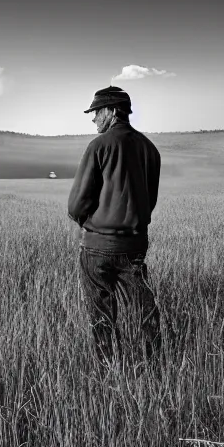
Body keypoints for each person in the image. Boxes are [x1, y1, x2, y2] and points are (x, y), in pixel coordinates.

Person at [67, 85, 163, 365]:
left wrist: (90, 224)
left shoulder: (99, 146)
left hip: (97, 246)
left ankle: (109, 368)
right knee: (144, 307)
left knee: (101, 312)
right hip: (134, 244)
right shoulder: (149, 149)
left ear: (111, 111)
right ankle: (154, 364)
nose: (93, 118)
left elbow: (76, 203)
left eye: (96, 112)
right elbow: (149, 199)